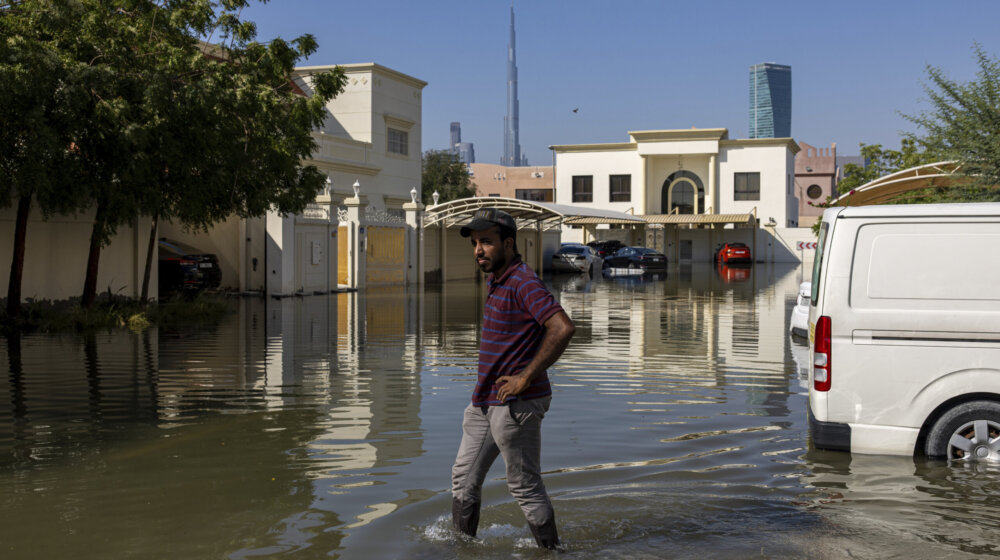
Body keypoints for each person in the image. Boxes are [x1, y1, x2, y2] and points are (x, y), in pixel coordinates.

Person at [451, 208, 575, 550]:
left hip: (516, 403)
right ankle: (462, 550)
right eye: (475, 243)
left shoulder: (522, 280)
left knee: (523, 484)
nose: (478, 250)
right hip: (485, 402)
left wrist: (524, 378)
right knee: (464, 478)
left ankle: (552, 552)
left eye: (486, 242)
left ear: (508, 243)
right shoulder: (498, 280)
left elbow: (562, 328)